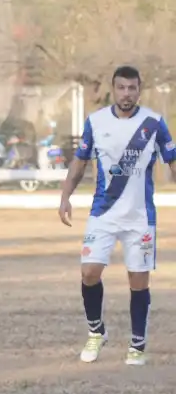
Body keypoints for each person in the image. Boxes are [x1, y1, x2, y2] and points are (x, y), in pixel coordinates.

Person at [59, 65, 176, 367]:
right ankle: (96, 332)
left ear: (140, 90)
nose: (127, 94)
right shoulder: (96, 122)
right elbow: (80, 161)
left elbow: (172, 161)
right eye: (122, 88)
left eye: (132, 88)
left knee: (138, 281)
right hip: (104, 213)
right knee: (89, 272)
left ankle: (137, 344)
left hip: (140, 218)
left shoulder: (154, 123)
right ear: (114, 89)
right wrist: (65, 197)